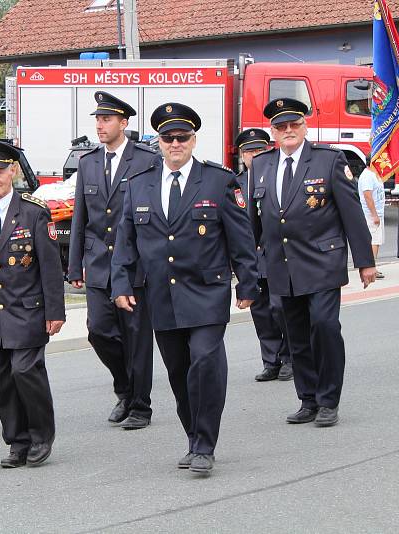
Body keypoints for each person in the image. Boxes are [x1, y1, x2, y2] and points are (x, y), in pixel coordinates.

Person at [111, 103, 259, 474]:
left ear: (194, 140)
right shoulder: (139, 184)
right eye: (168, 138)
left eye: (183, 137)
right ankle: (194, 436)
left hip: (207, 291)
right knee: (178, 372)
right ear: (158, 142)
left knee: (205, 362)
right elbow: (125, 241)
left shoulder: (218, 181)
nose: (175, 143)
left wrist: (248, 282)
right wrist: (120, 283)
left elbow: (241, 238)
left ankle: (205, 445)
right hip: (161, 295)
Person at [251, 98, 376, 428]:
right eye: (281, 126)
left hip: (323, 261)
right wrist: (249, 265)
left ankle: (329, 399)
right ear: (273, 131)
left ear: (304, 126)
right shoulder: (261, 165)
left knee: (324, 325)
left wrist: (365, 262)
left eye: (294, 125)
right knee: (296, 335)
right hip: (282, 265)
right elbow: (254, 220)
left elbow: (352, 214)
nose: (288, 131)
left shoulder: (328, 160)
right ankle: (307, 398)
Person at [0, 140, 66, 468]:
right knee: (5, 379)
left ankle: (41, 436)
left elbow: (50, 266)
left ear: (13, 171)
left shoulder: (33, 212)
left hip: (28, 310)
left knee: (25, 371)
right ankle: (16, 441)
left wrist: (55, 312)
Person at [68, 91, 158, 429]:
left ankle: (140, 406)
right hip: (97, 263)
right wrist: (74, 264)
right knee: (99, 331)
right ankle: (124, 387)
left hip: (134, 264)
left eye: (107, 119)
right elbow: (80, 216)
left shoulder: (146, 159)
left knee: (135, 336)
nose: (100, 125)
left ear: (124, 122)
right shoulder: (88, 161)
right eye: (97, 119)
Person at [234, 128, 293, 382]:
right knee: (261, 313)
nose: (253, 155)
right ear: (241, 155)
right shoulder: (234, 184)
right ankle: (271, 361)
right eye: (248, 151)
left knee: (282, 308)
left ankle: (291, 357)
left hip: (275, 253)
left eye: (259, 150)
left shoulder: (276, 177)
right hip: (250, 259)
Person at [357, 160, 386, 279]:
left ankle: (372, 266)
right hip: (371, 214)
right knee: (374, 241)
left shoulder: (373, 174)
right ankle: (372, 267)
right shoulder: (367, 176)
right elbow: (368, 197)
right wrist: (374, 215)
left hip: (378, 213)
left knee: (376, 241)